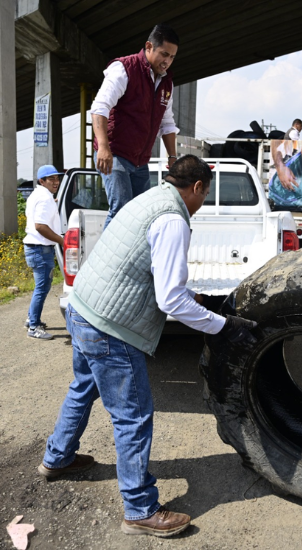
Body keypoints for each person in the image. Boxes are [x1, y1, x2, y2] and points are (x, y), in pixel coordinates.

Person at [37, 155, 257, 538]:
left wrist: (197, 298)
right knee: (133, 416)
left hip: (83, 308)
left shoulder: (150, 198)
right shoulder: (173, 219)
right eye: (204, 195)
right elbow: (170, 300)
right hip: (110, 328)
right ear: (199, 187)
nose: (202, 203)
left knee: (82, 387)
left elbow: (148, 268)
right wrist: (222, 327)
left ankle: (57, 458)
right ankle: (139, 509)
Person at [90, 23, 180, 229]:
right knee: (121, 210)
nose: (167, 62)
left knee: (141, 215)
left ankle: (133, 262)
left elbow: (167, 123)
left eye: (172, 57)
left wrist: (173, 157)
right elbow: (99, 108)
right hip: (115, 153)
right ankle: (106, 261)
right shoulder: (124, 69)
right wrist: (103, 147)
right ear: (149, 46)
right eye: (164, 54)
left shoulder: (167, 83)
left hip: (140, 160)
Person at [23, 165, 65, 340]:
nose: (56, 182)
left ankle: (31, 319)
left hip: (35, 248)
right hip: (40, 249)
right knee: (42, 288)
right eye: (51, 179)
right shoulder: (45, 198)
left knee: (40, 287)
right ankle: (33, 327)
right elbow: (40, 226)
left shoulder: (38, 195)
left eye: (57, 178)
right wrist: (61, 240)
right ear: (42, 181)